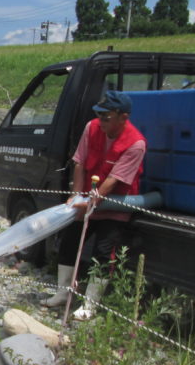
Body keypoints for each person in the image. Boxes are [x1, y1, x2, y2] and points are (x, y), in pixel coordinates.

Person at [41, 90, 146, 319]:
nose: (102, 121)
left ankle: (90, 304)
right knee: (68, 243)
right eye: (99, 116)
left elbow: (113, 180)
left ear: (123, 117)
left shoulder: (136, 143)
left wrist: (91, 202)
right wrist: (78, 196)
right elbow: (79, 164)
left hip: (113, 207)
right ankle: (64, 293)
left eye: (106, 117)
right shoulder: (91, 128)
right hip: (86, 202)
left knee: (102, 252)